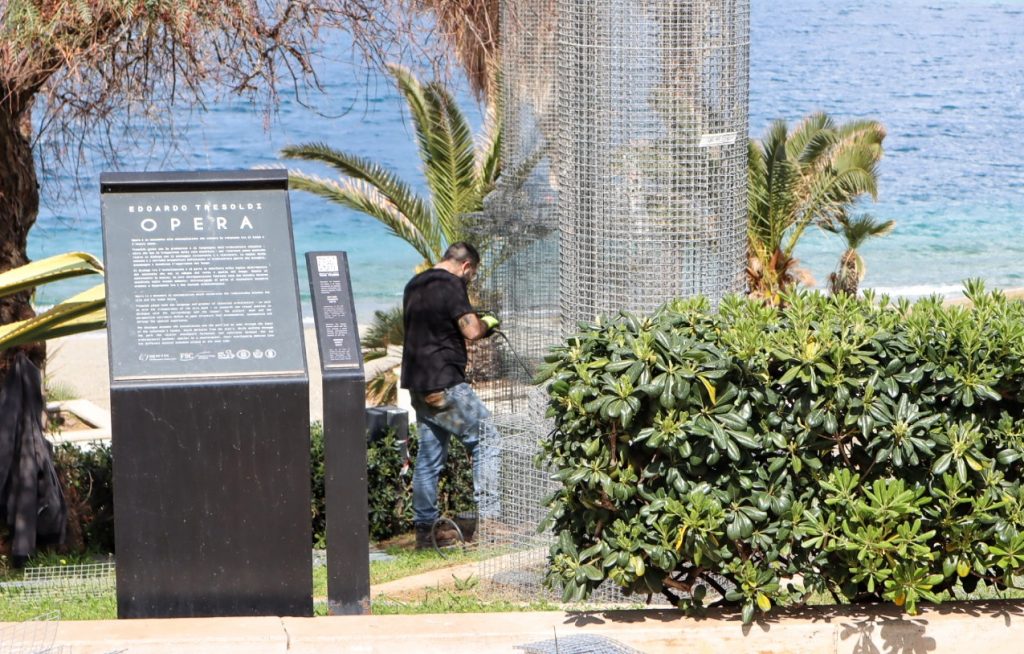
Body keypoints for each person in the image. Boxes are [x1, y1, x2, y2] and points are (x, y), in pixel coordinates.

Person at [401, 242, 501, 549]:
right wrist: (488, 324)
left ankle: (426, 531)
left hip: (419, 385)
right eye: (473, 274)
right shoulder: (452, 283)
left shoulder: (414, 284)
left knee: (429, 459)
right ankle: (491, 524)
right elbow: (471, 330)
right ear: (467, 266)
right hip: (445, 382)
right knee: (487, 438)